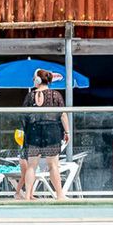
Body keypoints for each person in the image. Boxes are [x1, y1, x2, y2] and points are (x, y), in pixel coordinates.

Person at [18, 69, 71, 201]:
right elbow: (63, 114)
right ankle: (59, 195)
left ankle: (27, 195)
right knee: (53, 165)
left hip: (33, 132)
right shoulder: (56, 95)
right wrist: (67, 132)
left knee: (31, 166)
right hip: (52, 132)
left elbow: (23, 116)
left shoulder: (30, 96)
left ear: (37, 80)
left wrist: (25, 131)